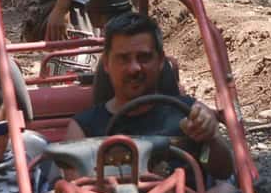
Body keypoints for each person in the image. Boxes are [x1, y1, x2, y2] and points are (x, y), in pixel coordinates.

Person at [64, 12, 233, 180]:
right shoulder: (84, 128)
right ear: (106, 64)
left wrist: (210, 139)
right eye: (123, 59)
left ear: (160, 61)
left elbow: (223, 172)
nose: (134, 68)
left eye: (144, 57)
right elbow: (72, 189)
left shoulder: (190, 114)